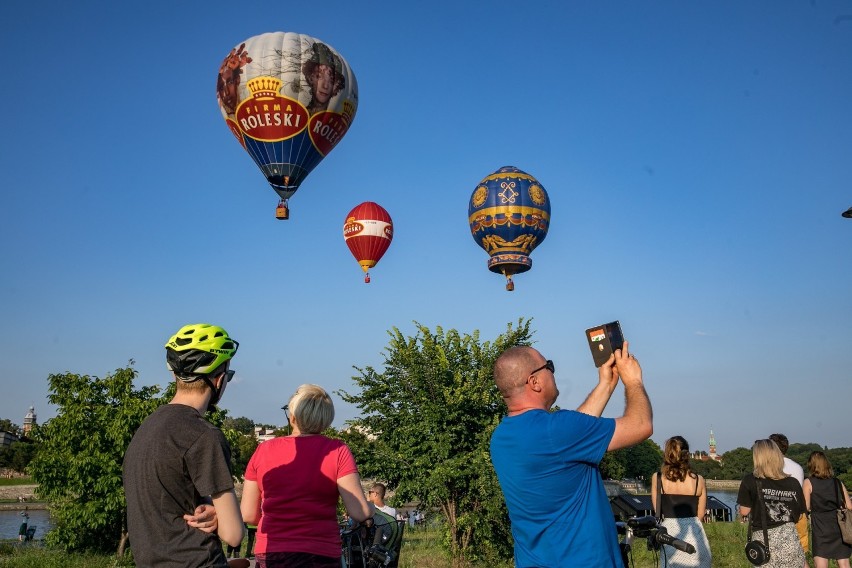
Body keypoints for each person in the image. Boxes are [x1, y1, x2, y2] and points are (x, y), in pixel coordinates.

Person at [490, 341, 652, 567]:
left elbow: (570, 440)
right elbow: (641, 425)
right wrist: (633, 381)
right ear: (534, 382)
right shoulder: (558, 430)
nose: (553, 372)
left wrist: (606, 384)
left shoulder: (501, 437)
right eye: (549, 366)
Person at [123, 323, 244, 567]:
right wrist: (223, 517)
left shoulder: (148, 427)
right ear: (218, 380)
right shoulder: (204, 435)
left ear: (175, 375)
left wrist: (212, 510)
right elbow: (233, 535)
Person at [240, 384, 373, 567]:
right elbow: (359, 512)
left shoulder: (264, 450)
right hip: (321, 552)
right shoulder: (337, 450)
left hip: (272, 551)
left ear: (293, 417)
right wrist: (371, 508)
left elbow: (248, 515)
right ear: (326, 419)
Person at [737, 439, 807, 568]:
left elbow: (744, 511)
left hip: (765, 543)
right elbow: (799, 514)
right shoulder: (793, 482)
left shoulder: (750, 480)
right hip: (790, 540)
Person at [650, 436, 712, 567]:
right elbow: (700, 515)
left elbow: (658, 510)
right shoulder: (699, 480)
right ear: (687, 455)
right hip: (695, 538)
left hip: (670, 537)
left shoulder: (658, 478)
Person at [803, 451, 852, 568]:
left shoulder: (808, 482)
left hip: (820, 527)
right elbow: (849, 506)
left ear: (811, 465)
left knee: (821, 561)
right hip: (839, 526)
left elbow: (806, 507)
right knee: (844, 563)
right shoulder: (837, 482)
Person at [770, 432, 809, 560]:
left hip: (777, 517)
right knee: (799, 557)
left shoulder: (769, 467)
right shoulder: (797, 467)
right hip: (797, 515)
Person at [301, 42, 345, 115]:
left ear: (336, 87)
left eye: (331, 81)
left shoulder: (335, 119)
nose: (325, 86)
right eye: (319, 77)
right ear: (310, 78)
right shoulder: (299, 113)